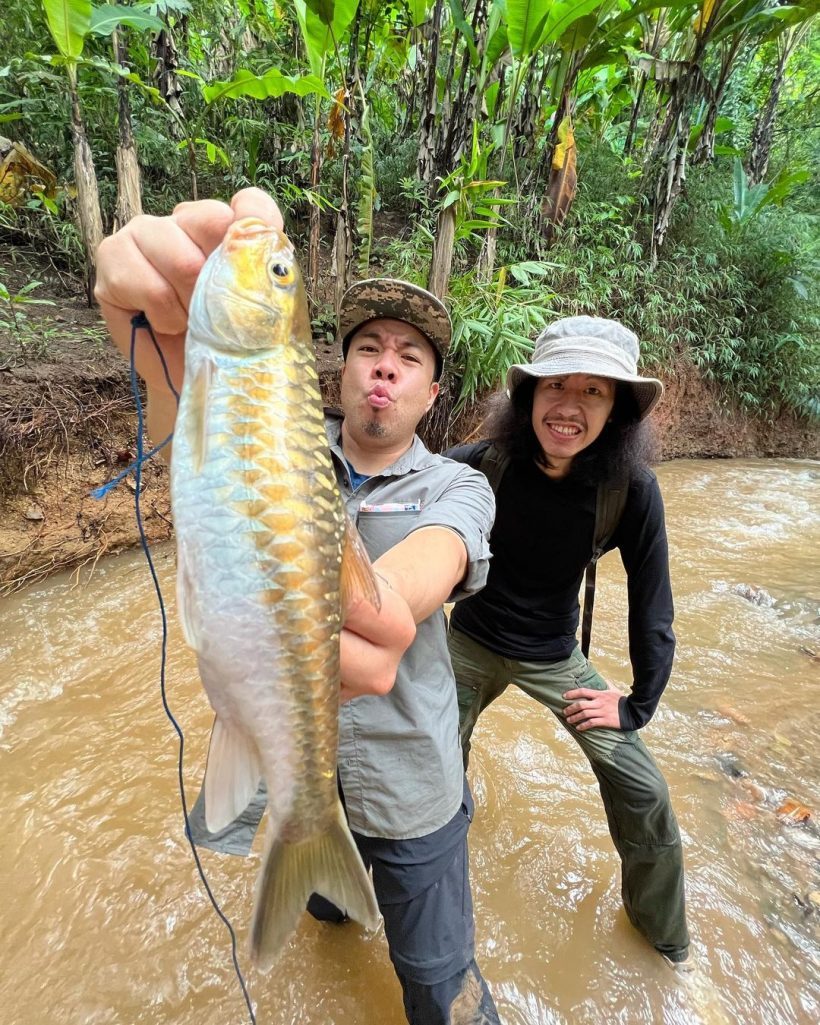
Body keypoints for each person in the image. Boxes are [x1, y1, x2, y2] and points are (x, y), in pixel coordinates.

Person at [95, 188, 501, 1025]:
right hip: (299, 775)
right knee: (331, 917)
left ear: (431, 393)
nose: (385, 364)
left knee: (434, 975)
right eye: (367, 348)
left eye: (410, 356)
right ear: (339, 370)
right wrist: (136, 312)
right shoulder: (270, 436)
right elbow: (184, 410)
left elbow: (406, 595)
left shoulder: (458, 484)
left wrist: (360, 591)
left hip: (409, 787)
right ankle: (321, 881)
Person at [446, 316, 693, 971]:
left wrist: (638, 703)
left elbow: (653, 604)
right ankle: (373, 878)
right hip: (468, 640)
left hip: (555, 656)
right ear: (528, 396)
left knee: (645, 793)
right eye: (556, 384)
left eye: (594, 391)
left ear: (616, 412)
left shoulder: (629, 490)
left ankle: (662, 943)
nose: (570, 406)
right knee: (415, 758)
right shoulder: (482, 464)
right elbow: (394, 502)